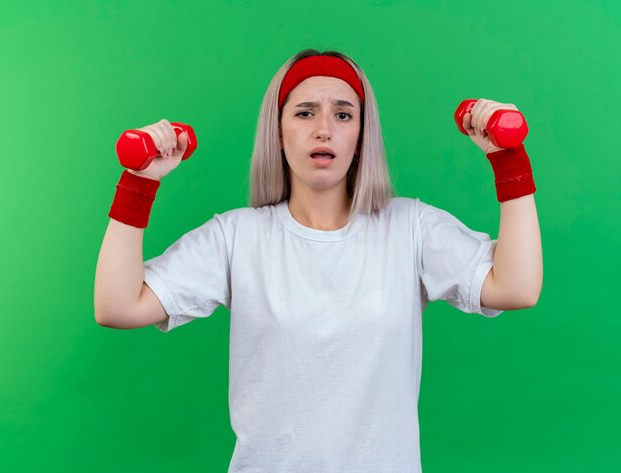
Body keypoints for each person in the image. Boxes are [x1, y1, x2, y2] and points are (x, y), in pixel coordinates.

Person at [95, 49, 542, 472]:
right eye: (305, 112)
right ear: (278, 130)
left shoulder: (411, 227)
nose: (324, 128)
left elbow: (516, 287)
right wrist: (139, 181)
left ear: (361, 135)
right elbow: (118, 307)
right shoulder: (236, 236)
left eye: (343, 114)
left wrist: (508, 160)